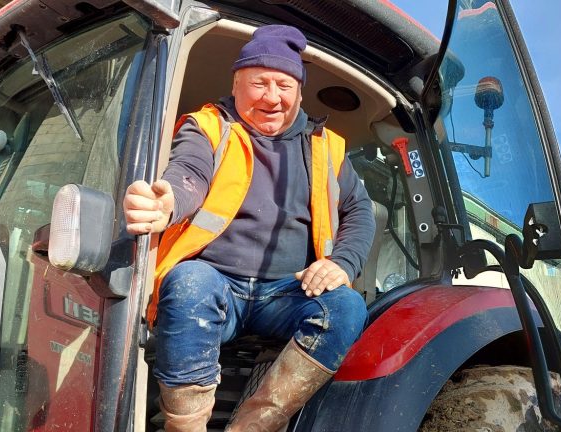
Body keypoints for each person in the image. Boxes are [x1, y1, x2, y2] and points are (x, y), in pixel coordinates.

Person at [123, 24, 375, 432]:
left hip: (286, 291)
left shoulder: (326, 147)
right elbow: (189, 172)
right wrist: (167, 201)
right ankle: (184, 425)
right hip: (218, 282)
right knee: (188, 282)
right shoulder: (210, 127)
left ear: (298, 92)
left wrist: (343, 262)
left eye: (284, 85)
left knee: (346, 307)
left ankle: (253, 427)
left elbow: (359, 211)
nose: (272, 98)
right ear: (237, 84)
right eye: (259, 82)